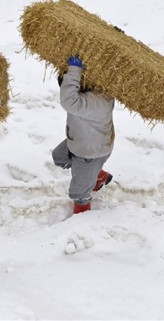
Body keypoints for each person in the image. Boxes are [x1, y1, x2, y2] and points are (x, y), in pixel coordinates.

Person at [52, 55, 115, 214]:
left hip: (90, 152)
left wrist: (74, 70)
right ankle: (96, 176)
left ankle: (82, 214)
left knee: (78, 193)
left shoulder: (97, 102)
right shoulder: (93, 92)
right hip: (82, 142)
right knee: (59, 157)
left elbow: (68, 101)